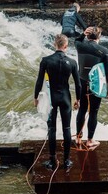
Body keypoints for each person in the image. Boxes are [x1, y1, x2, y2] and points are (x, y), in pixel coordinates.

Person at [34, 34, 81, 170]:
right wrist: (78, 99)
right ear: (66, 46)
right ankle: (66, 161)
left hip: (51, 99)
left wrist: (36, 97)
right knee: (67, 129)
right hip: (65, 97)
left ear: (55, 45)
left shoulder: (46, 61)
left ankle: (52, 161)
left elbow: (39, 81)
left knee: (52, 129)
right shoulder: (72, 62)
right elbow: (78, 84)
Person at [75, 26, 108, 149]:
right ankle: (90, 140)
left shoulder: (80, 46)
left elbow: (77, 40)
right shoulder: (104, 50)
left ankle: (78, 138)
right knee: (93, 112)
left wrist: (82, 34)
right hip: (95, 85)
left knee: (82, 110)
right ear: (99, 37)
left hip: (81, 82)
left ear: (88, 35)